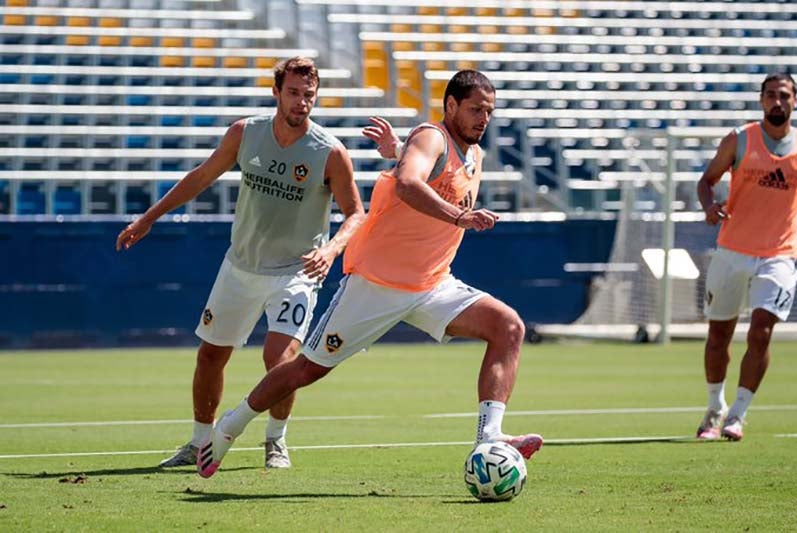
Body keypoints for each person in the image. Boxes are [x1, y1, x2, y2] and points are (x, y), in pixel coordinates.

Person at [195, 69, 543, 479]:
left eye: (489, 111)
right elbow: (407, 184)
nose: (483, 118)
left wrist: (397, 148)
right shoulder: (432, 136)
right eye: (475, 109)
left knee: (508, 327)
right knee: (307, 369)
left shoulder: (473, 154)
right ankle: (229, 429)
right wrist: (459, 215)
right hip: (375, 285)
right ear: (450, 106)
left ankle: (489, 438)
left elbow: (421, 167)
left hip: (432, 284)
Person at [116, 57, 366, 468]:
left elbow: (356, 212)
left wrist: (331, 249)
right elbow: (200, 176)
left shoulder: (329, 152)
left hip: (295, 272)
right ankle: (199, 442)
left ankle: (276, 440)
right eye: (293, 93)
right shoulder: (245, 133)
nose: (301, 102)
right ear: (276, 92)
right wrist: (149, 217)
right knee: (210, 355)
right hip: (240, 266)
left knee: (280, 359)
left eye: (309, 95)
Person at [695, 72, 797, 441]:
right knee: (718, 335)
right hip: (733, 251)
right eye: (771, 95)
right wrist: (710, 207)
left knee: (761, 332)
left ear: (795, 101)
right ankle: (713, 407)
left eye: (784, 95)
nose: (777, 102)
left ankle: (738, 414)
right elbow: (706, 180)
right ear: (761, 100)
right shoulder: (740, 140)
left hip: (780, 255)